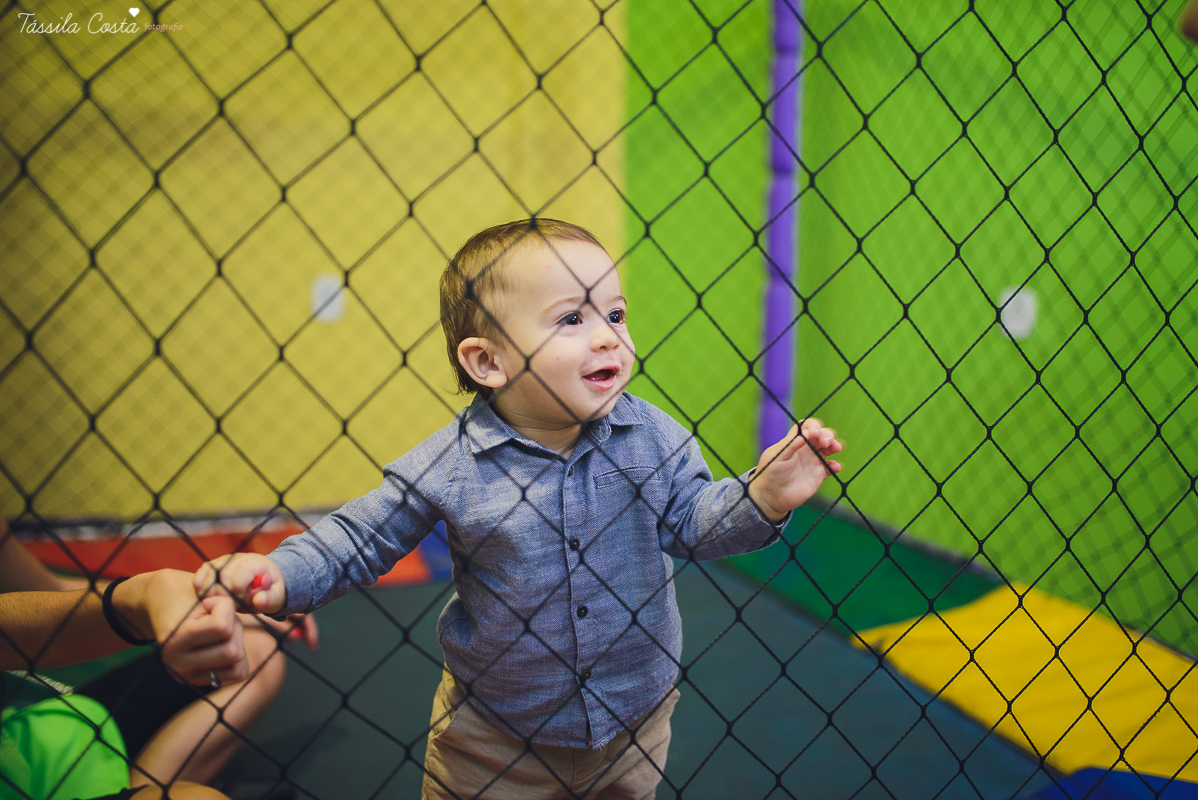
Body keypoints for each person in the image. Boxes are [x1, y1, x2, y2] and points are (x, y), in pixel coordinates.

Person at [194, 219, 844, 799]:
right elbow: (359, 537)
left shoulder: (656, 438)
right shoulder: (452, 463)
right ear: (488, 361)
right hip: (498, 737)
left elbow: (695, 523)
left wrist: (760, 496)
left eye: (615, 315)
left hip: (635, 720)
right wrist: (275, 576)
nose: (607, 340)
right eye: (572, 320)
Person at [1, 518, 316, 799]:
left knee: (254, 654)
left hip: (41, 748)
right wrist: (139, 602)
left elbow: (48, 590)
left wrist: (201, 604)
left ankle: (142, 789)